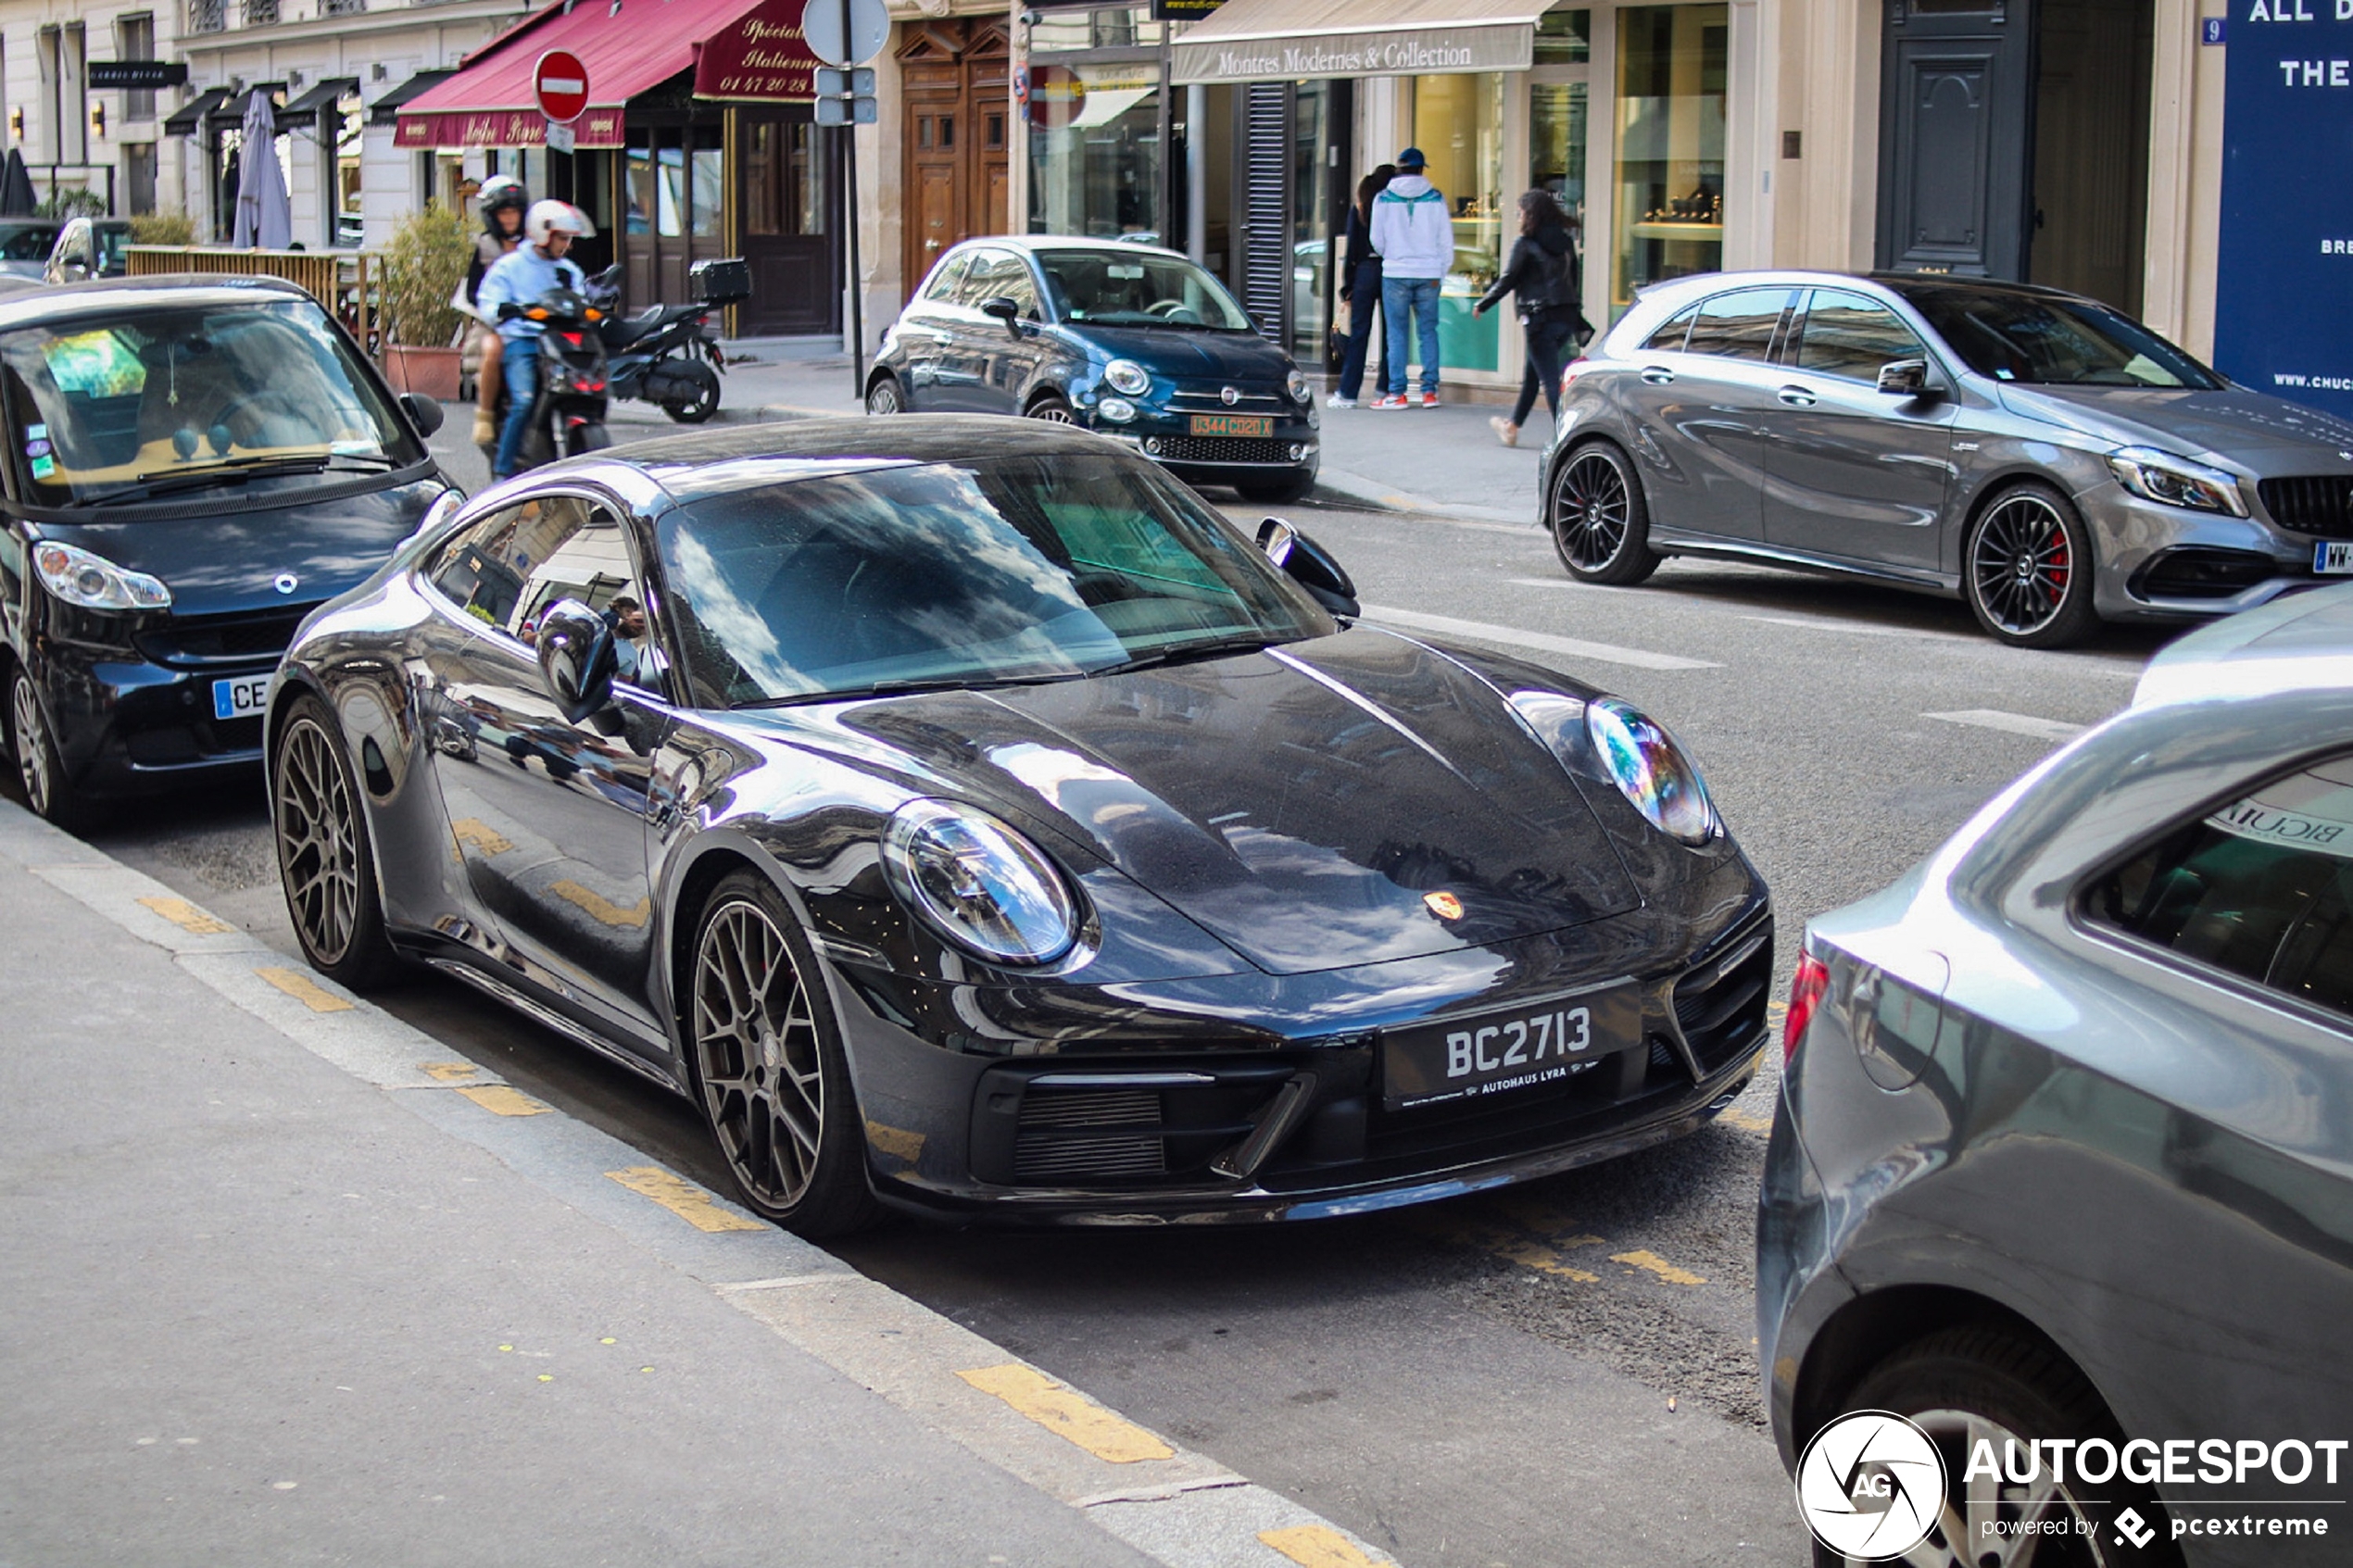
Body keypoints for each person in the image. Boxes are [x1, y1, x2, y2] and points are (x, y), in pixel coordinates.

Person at [476, 200, 593, 482]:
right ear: (543, 234)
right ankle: (503, 472)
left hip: (562, 342)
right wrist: (501, 310)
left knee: (587, 391)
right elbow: (488, 301)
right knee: (524, 401)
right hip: (523, 343)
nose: (568, 245)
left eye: (569, 238)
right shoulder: (509, 266)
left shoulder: (568, 270)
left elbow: (582, 297)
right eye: (563, 238)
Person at [1474, 190, 1592, 448]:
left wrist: (1483, 303)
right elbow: (1574, 278)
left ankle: (1567, 435)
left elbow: (1509, 279)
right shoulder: (1564, 242)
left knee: (1550, 381)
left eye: (1520, 212)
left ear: (1530, 215)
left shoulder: (1525, 244)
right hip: (1565, 318)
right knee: (1533, 374)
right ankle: (1512, 427)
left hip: (1539, 320)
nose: (1519, 217)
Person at [1369, 146, 1450, 409]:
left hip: (1395, 271)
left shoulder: (1382, 198)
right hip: (1429, 272)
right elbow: (1445, 241)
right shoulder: (1436, 198)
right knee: (1428, 332)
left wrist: (1392, 256)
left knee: (1396, 334)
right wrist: (1441, 270)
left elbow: (1376, 240)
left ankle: (1397, 393)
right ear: (1420, 169)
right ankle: (1429, 392)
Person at [466, 175, 529, 451]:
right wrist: (494, 309)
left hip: (534, 320)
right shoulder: (484, 247)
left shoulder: (533, 245)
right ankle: (486, 413)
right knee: (493, 351)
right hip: (497, 322)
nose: (510, 218)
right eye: (504, 213)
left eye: (513, 212)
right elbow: (472, 291)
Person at [1329, 165, 1394, 408]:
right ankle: (1385, 388)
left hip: (1365, 271)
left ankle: (1348, 392)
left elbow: (1351, 250)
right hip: (1390, 269)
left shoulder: (1359, 210)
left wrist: (1347, 287)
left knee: (1359, 335)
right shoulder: (1392, 209)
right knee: (1392, 334)